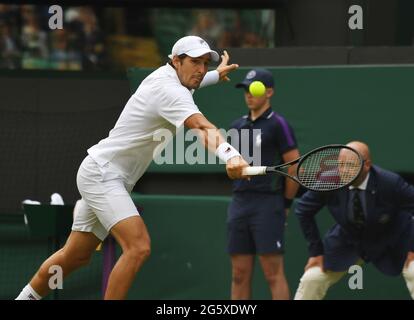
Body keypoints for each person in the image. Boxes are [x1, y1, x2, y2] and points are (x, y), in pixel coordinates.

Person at [16, 35, 250, 300]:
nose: (200, 69)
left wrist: (216, 75)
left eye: (205, 63)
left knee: (76, 256)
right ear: (176, 61)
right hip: (103, 174)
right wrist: (231, 155)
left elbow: (195, 81)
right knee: (138, 247)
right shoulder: (170, 91)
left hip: (103, 173)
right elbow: (200, 127)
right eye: (195, 62)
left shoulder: (172, 78)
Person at [294, 141, 414, 299]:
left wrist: (412, 247)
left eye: (350, 165)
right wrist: (316, 252)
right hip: (347, 240)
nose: (343, 171)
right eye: (340, 164)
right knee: (312, 278)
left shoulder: (390, 182)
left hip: (393, 239)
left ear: (367, 165)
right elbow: (303, 210)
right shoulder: (329, 180)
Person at [227, 68, 300, 300]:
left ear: (269, 92)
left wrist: (286, 203)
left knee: (272, 273)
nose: (249, 94)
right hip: (239, 204)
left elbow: (294, 167)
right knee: (239, 274)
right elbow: (230, 167)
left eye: (254, 89)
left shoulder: (279, 124)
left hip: (268, 204)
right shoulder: (236, 126)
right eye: (245, 90)